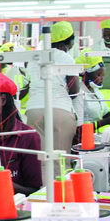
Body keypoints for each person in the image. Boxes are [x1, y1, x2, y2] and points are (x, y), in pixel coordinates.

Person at [25, 21, 79, 162]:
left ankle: (41, 184)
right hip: (59, 111)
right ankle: (57, 184)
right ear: (67, 42)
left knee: (39, 159)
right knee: (59, 160)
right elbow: (74, 90)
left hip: (33, 111)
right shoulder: (67, 58)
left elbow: (28, 83)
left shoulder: (34, 58)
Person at [76, 52, 110, 128]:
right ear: (85, 74)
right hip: (84, 135)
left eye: (103, 75)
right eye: (98, 75)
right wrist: (104, 122)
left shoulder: (95, 90)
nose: (102, 78)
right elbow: (79, 127)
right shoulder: (78, 93)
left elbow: (105, 113)